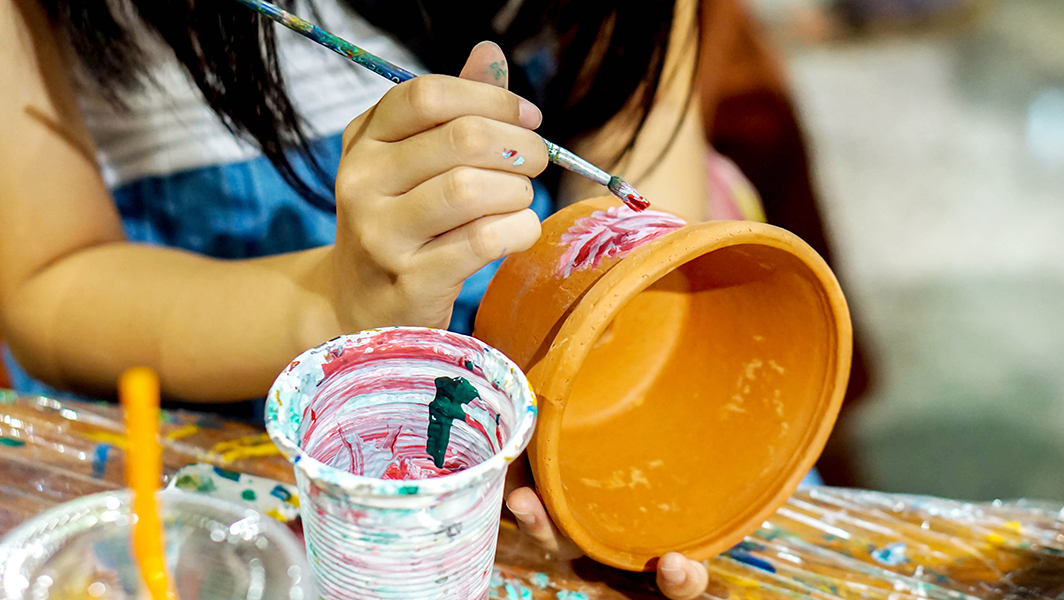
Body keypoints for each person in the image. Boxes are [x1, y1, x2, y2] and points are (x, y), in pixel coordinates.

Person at [0, 0, 712, 594]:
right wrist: (341, 306)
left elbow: (634, 113)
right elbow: (48, 285)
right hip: (218, 421)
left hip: (528, 407)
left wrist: (608, 402)